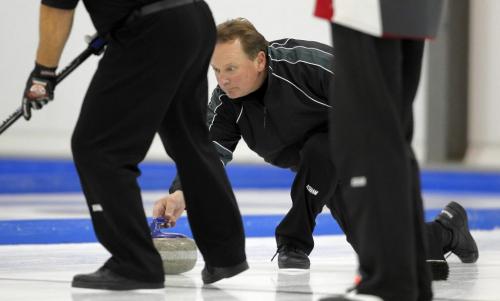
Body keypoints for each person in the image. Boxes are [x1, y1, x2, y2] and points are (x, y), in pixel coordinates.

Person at [152, 18, 478, 278]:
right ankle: (448, 229)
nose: (222, 80)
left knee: (323, 148)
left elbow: (373, 107)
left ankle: (293, 242)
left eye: (231, 68)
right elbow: (208, 154)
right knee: (376, 247)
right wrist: (183, 192)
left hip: (352, 147)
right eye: (216, 70)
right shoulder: (225, 103)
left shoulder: (307, 66)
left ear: (260, 60)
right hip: (313, 163)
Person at [23, 0, 248, 290]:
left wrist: (43, 72)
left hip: (150, 27)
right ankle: (225, 254)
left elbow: (57, 5)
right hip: (193, 17)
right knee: (190, 141)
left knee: (98, 147)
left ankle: (134, 262)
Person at [314, 1, 471, 300]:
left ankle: (386, 284)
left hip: (369, 9)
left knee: (365, 135)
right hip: (400, 11)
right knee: (390, 135)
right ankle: (407, 280)